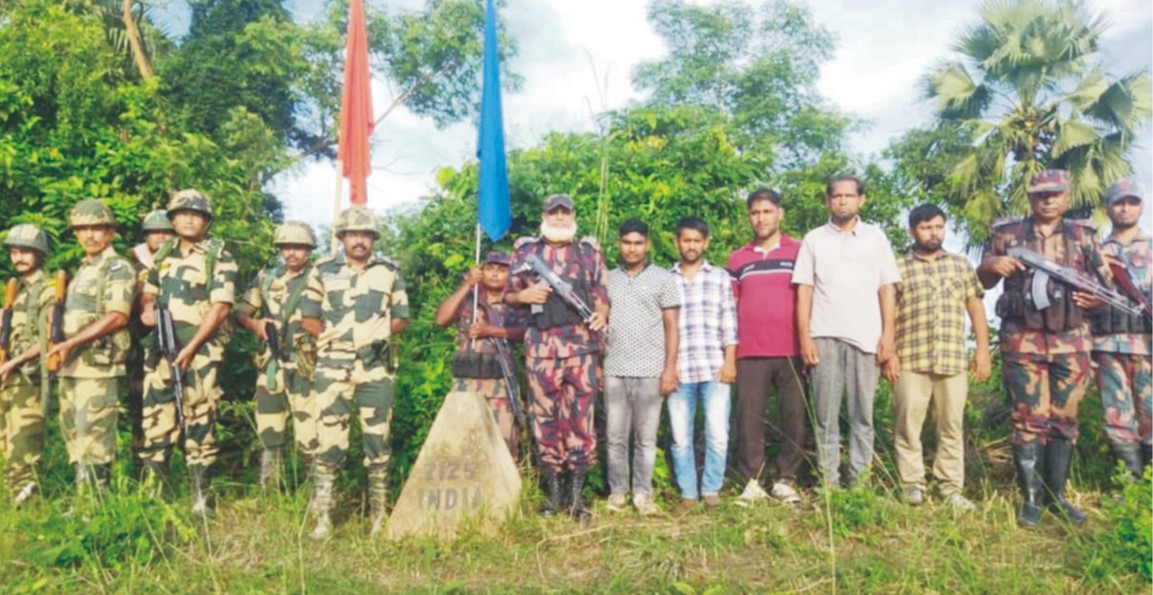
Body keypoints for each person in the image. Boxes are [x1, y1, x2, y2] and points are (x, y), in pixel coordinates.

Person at [977, 169, 1110, 528]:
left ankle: (1057, 496)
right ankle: (1031, 501)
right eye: (1041, 194)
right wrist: (991, 264)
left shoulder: (1083, 235)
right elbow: (984, 280)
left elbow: (1106, 285)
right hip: (1023, 342)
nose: (1048, 200)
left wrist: (1096, 300)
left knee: (1064, 420)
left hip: (1071, 341)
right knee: (1027, 421)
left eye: (1055, 194)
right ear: (1031, 198)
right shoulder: (1008, 234)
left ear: (1066, 196)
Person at [506, 194, 609, 521]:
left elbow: (601, 295)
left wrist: (602, 314)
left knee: (581, 419)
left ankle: (576, 498)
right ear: (544, 215)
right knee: (544, 418)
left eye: (565, 213)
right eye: (555, 213)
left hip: (581, 350)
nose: (560, 218)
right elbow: (508, 295)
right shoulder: (526, 252)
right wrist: (524, 295)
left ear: (573, 215)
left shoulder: (589, 253)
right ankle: (554, 495)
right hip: (541, 350)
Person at [793, 175, 900, 490]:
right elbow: (804, 290)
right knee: (825, 418)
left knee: (862, 417)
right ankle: (830, 485)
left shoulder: (876, 238)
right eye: (837, 196)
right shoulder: (814, 239)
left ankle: (859, 485)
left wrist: (888, 336)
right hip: (824, 337)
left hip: (866, 340)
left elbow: (887, 289)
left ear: (861, 200)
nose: (842, 200)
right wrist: (805, 338)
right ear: (828, 201)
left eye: (849, 196)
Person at [308, 207, 408, 540]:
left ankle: (379, 517)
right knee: (329, 443)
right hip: (332, 368)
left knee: (378, 442)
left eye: (366, 235)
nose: (359, 240)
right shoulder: (322, 270)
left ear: (373, 239)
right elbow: (308, 316)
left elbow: (401, 316)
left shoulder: (389, 271)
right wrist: (330, 340)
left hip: (375, 369)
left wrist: (377, 338)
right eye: (353, 234)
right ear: (342, 238)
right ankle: (324, 519)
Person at [882, 204, 991, 510]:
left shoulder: (960, 265)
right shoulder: (897, 267)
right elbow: (888, 314)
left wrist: (982, 350)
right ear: (912, 231)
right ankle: (912, 484)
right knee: (907, 425)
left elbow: (976, 308)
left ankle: (950, 487)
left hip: (952, 359)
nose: (933, 233)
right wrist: (889, 354)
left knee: (951, 426)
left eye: (938, 227)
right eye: (926, 227)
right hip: (910, 359)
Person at [138, 189, 238, 515]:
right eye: (182, 214)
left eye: (196, 214)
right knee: (156, 422)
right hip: (161, 352)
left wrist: (191, 348)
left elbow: (221, 308)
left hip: (200, 355)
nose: (189, 219)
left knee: (199, 421)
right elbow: (149, 292)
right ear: (173, 219)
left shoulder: (218, 256)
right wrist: (147, 310)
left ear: (206, 221)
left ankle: (200, 500)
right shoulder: (163, 254)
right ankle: (153, 499)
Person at [47, 200, 138, 491]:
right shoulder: (83, 269)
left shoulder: (117, 268)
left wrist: (71, 342)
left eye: (96, 228)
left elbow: (118, 315)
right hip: (70, 365)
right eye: (82, 229)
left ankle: (95, 505)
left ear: (110, 232)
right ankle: (82, 498)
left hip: (97, 366)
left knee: (95, 435)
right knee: (73, 432)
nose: (89, 235)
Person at [727, 188, 807, 505]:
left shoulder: (800, 252)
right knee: (749, 418)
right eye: (755, 213)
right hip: (750, 350)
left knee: (794, 416)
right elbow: (731, 306)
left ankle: (787, 479)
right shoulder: (738, 258)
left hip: (793, 349)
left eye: (767, 211)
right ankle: (753, 481)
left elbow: (809, 297)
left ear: (779, 214)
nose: (761, 218)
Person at [234, 221, 323, 489]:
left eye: (298, 247)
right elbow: (240, 312)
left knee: (310, 434)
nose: (291, 253)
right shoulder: (266, 278)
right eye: (286, 247)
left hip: (308, 367)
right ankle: (271, 494)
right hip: (271, 366)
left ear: (309, 249)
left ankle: (315, 496)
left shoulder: (321, 278)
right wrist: (255, 325)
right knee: (269, 431)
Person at [603, 218, 680, 515]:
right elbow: (599, 323)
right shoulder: (608, 279)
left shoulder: (663, 278)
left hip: (650, 370)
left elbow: (672, 327)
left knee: (646, 439)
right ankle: (618, 492)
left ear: (647, 245)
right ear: (619, 244)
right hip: (614, 368)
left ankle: (643, 494)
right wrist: (598, 364)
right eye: (627, 243)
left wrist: (669, 368)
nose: (632, 249)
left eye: (638, 243)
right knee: (615, 437)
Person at [669, 217, 736, 510]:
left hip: (714, 367)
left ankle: (711, 488)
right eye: (686, 240)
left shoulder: (720, 277)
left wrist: (730, 360)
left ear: (706, 243)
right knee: (680, 437)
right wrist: (666, 369)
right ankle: (687, 492)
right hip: (679, 369)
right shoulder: (666, 279)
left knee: (717, 433)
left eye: (697, 240)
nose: (691, 246)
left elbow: (729, 322)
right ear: (677, 243)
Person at [434, 251, 527, 461]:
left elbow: (527, 334)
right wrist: (467, 285)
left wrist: (491, 330)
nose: (494, 274)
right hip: (465, 382)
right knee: (461, 443)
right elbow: (441, 320)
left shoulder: (514, 303)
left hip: (499, 384)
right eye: (489, 269)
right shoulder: (469, 299)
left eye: (501, 270)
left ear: (509, 275)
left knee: (503, 446)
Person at [1089, 179, 1151, 479]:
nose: (1125, 208)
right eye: (1119, 202)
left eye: (1132, 202)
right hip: (1107, 346)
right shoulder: (1095, 252)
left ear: (1141, 206)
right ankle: (1130, 488)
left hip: (1148, 346)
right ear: (1108, 207)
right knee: (1116, 418)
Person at [0, 224, 54, 505]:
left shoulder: (49, 290)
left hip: (29, 378)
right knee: (7, 444)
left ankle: (28, 508)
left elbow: (48, 340)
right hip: (9, 377)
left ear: (39, 254)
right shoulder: (16, 290)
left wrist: (13, 363)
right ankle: (13, 505)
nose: (18, 258)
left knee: (24, 447)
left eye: (25, 252)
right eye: (14, 252)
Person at [126, 209, 175, 467]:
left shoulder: (179, 263)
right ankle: (141, 469)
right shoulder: (133, 267)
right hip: (139, 347)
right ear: (146, 236)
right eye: (155, 232)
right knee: (141, 409)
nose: (161, 236)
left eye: (167, 232)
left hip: (174, 345)